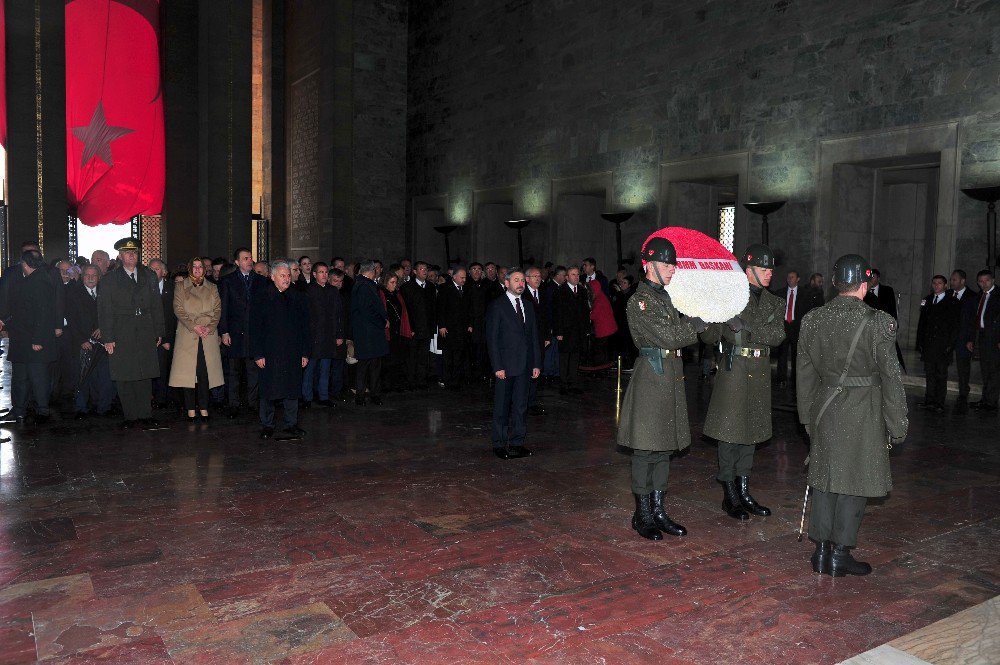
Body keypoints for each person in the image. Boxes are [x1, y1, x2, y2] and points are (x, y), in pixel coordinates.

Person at [797, 254, 908, 576]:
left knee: (825, 477)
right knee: (854, 481)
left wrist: (806, 417)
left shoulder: (813, 319)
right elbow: (890, 376)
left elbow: (804, 373)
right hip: (864, 409)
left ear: (835, 283)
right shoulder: (878, 321)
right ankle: (840, 553)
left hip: (824, 407)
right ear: (864, 284)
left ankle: (820, 551)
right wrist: (897, 423)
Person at [618, 237, 705, 540]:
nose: (672, 269)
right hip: (652, 378)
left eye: (673, 263)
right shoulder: (639, 301)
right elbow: (668, 336)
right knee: (646, 449)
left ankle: (658, 509)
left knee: (664, 447)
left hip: (669, 377)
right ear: (649, 265)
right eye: (667, 264)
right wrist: (693, 324)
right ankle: (642, 513)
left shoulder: (667, 298)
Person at [701, 243, 785, 520]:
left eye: (771, 269)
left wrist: (748, 326)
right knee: (730, 433)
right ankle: (729, 492)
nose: (770, 273)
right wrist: (708, 314)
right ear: (749, 271)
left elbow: (777, 336)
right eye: (764, 269)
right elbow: (710, 337)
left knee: (752, 431)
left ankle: (744, 488)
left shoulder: (775, 301)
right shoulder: (728, 298)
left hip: (759, 371)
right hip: (734, 370)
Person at [98, 238, 165, 429]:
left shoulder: (149, 275)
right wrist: (108, 338)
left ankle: (145, 414)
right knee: (124, 374)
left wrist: (159, 330)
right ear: (120, 256)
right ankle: (130, 416)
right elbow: (105, 310)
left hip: (145, 328)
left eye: (134, 252)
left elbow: (156, 306)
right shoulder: (110, 279)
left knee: (145, 373)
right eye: (127, 253)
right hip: (122, 331)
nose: (131, 256)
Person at [486, 268, 542, 459]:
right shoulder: (497, 305)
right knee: (502, 407)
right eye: (516, 280)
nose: (520, 284)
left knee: (520, 406)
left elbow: (534, 336)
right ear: (507, 283)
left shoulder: (527, 305)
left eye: (522, 281)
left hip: (525, 366)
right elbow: (492, 339)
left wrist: (536, 363)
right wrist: (497, 366)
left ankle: (517, 443)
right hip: (505, 367)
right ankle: (499, 444)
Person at [250, 260, 310, 439]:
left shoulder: (297, 296)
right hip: (270, 352)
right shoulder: (262, 296)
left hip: (292, 352)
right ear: (272, 277)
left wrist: (305, 352)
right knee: (269, 390)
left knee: (292, 389)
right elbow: (255, 327)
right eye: (282, 276)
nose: (286, 279)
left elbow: (305, 327)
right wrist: (258, 353)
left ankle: (291, 424)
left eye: (288, 276)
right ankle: (267, 425)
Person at [1, 251, 57, 425]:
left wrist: (38, 340)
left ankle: (42, 412)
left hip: (34, 341)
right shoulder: (32, 280)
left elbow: (43, 314)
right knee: (20, 378)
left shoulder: (40, 282)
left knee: (38, 378)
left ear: (25, 264)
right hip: (21, 339)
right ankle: (18, 411)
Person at [168, 258, 224, 421]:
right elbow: (178, 309)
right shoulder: (180, 286)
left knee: (205, 373)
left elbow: (217, 310)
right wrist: (194, 326)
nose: (198, 269)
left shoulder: (212, 287)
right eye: (195, 266)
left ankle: (204, 407)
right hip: (188, 333)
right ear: (190, 268)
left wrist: (210, 327)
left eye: (200, 267)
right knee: (188, 374)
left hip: (207, 334)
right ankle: (191, 408)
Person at [219, 248, 268, 418]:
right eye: (245, 258)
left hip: (254, 333)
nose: (250, 261)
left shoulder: (261, 281)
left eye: (251, 258)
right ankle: (233, 405)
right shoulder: (228, 281)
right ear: (237, 262)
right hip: (234, 333)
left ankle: (253, 404)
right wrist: (224, 331)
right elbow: (224, 308)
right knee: (234, 372)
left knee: (253, 371)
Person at [66, 265, 114, 419]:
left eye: (94, 275)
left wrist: (103, 328)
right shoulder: (74, 294)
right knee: (82, 377)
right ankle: (81, 409)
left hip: (103, 343)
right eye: (87, 275)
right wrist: (82, 340)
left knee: (104, 377)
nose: (91, 278)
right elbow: (71, 320)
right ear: (82, 277)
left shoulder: (106, 293)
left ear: (99, 277)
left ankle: (104, 408)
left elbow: (112, 315)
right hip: (82, 343)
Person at [915, 275, 959, 412]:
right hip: (929, 344)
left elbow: (955, 325)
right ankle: (929, 400)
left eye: (939, 283)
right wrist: (919, 342)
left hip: (942, 345)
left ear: (945, 285)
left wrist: (950, 345)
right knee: (929, 374)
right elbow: (922, 323)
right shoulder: (927, 300)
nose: (936, 285)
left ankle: (939, 402)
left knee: (941, 374)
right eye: (934, 283)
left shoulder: (952, 301)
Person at [303, 262, 345, 407]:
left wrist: (339, 334)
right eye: (321, 272)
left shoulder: (333, 291)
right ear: (314, 274)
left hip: (329, 335)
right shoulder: (308, 291)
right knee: (310, 369)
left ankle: (323, 396)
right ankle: (307, 397)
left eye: (326, 272)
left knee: (326, 368)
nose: (324, 275)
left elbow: (339, 314)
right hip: (314, 336)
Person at [350, 261, 389, 405]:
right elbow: (367, 310)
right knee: (367, 365)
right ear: (372, 271)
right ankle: (364, 395)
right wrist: (383, 321)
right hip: (368, 333)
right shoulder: (364, 286)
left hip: (369, 333)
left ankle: (372, 394)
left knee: (372, 365)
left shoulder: (363, 285)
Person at [552, 266, 590, 395]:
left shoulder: (583, 291)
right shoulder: (560, 290)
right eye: (573, 275)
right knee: (564, 358)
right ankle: (563, 384)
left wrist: (586, 329)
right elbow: (557, 313)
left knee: (575, 357)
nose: (576, 277)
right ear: (567, 277)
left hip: (578, 331)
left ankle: (573, 382)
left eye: (578, 275)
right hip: (566, 330)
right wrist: (559, 332)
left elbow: (585, 312)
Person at [775, 270, 815, 387]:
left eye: (792, 277)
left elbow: (807, 311)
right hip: (784, 326)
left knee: (796, 354)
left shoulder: (805, 293)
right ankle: (781, 379)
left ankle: (795, 380)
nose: (789, 279)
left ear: (798, 279)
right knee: (782, 354)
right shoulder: (781, 293)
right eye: (788, 277)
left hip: (796, 327)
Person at [400, 261, 436, 388]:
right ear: (414, 272)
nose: (425, 271)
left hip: (426, 329)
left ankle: (421, 381)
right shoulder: (407, 288)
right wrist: (411, 327)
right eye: (421, 269)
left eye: (426, 269)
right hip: (413, 329)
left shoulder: (431, 288)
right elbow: (406, 310)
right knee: (411, 356)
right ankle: (410, 381)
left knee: (423, 356)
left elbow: (432, 309)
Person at [968, 270, 999, 411]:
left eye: (986, 280)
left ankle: (991, 403)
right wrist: (971, 339)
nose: (983, 283)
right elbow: (974, 319)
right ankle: (985, 399)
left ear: (993, 280)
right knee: (985, 370)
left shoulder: (998, 295)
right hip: (982, 337)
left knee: (994, 371)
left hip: (995, 338)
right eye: (980, 281)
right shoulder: (979, 295)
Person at [437, 266, 472, 390]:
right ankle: (447, 381)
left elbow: (468, 309)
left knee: (458, 356)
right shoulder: (444, 288)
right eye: (461, 277)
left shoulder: (466, 289)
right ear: (454, 277)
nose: (464, 280)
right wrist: (441, 325)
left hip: (461, 329)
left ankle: (455, 381)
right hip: (448, 329)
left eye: (465, 278)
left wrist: (469, 324)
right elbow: (440, 308)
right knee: (448, 357)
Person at [149, 258, 177, 409]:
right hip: (148, 337)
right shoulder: (143, 288)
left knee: (164, 368)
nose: (153, 272)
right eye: (151, 269)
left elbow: (174, 317)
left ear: (164, 272)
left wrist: (167, 338)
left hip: (166, 337)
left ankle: (162, 399)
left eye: (157, 269)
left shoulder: (173, 288)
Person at [379, 272, 412, 392]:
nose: (394, 285)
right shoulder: (382, 294)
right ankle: (386, 385)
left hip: (398, 331)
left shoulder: (397, 295)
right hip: (388, 332)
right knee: (388, 360)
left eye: (395, 282)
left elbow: (403, 311)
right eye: (392, 282)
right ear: (385, 282)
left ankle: (397, 384)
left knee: (398, 359)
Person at [950, 269, 978, 408]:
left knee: (963, 367)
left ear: (962, 281)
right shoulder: (949, 295)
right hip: (949, 337)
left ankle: (963, 392)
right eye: (951, 279)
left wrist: (971, 339)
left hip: (964, 337)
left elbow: (974, 320)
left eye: (954, 279)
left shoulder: (973, 296)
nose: (952, 282)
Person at [524, 267, 550, 415]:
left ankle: (532, 401)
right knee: (526, 369)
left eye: (539, 276)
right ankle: (524, 401)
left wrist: (547, 336)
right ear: (527, 279)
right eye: (534, 276)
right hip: (527, 339)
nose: (538, 279)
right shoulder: (523, 294)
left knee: (536, 368)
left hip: (539, 339)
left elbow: (546, 317)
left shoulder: (543, 293)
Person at [328, 268, 350, 399]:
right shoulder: (326, 296)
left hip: (341, 336)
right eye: (335, 281)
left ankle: (336, 392)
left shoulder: (343, 296)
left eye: (340, 281)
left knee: (338, 365)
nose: (338, 284)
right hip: (329, 337)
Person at [587, 277, 617, 366]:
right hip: (608, 328)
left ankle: (600, 368)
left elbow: (593, 315)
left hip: (604, 329)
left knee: (599, 350)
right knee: (603, 350)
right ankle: (604, 366)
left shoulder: (599, 299)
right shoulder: (601, 296)